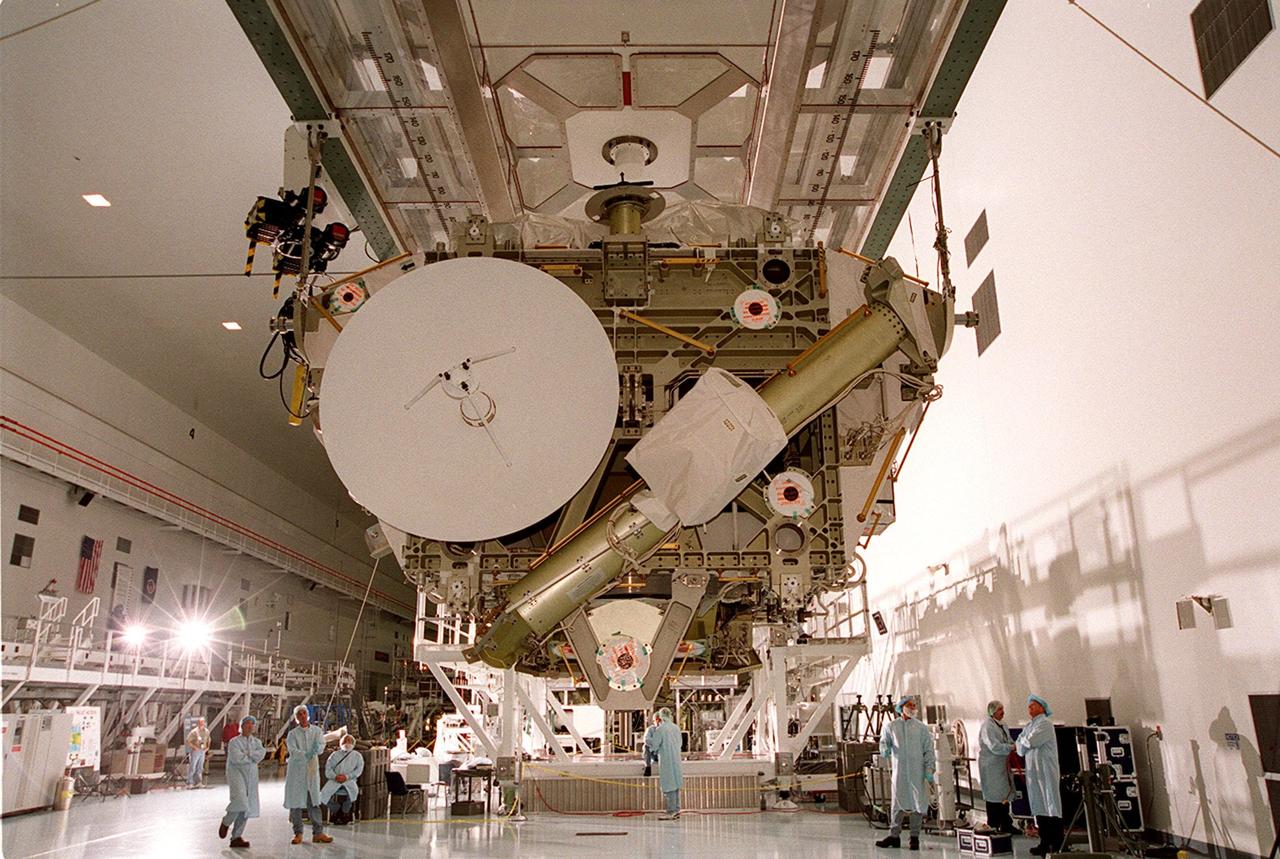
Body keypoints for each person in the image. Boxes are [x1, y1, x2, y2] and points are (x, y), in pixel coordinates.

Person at [875, 696, 936, 850]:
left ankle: (914, 836)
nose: (912, 708)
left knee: (917, 804)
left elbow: (928, 750)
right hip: (900, 771)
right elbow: (884, 742)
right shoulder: (891, 726)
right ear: (901, 707)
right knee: (897, 803)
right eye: (909, 705)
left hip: (917, 771)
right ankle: (894, 836)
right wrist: (884, 749)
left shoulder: (921, 728)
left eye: (914, 706)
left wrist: (929, 769)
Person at [1016, 694, 1063, 856]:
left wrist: (1022, 742)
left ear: (1042, 707)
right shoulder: (1030, 726)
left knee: (1051, 804)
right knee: (1039, 805)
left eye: (1033, 705)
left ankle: (1056, 842)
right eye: (1029, 706)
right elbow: (1020, 747)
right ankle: (1044, 841)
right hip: (1034, 773)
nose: (1030, 708)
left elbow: (1029, 742)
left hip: (1046, 771)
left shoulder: (1045, 724)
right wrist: (1022, 742)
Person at [284, 705, 333, 844]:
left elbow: (321, 744)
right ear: (296, 718)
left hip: (311, 770)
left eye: (304, 713)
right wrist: (306, 754)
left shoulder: (317, 731)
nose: (302, 716)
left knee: (314, 801)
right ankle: (298, 833)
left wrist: (317, 750)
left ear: (308, 715)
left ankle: (318, 833)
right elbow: (293, 750)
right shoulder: (292, 734)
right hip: (297, 771)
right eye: (299, 714)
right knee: (296, 802)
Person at [220, 715, 266, 849]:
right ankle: (226, 822)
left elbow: (261, 754)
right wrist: (251, 757)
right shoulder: (234, 742)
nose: (250, 726)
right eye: (247, 723)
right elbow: (236, 758)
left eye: (252, 723)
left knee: (246, 807)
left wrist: (249, 755)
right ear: (242, 725)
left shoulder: (256, 742)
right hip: (237, 774)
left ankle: (236, 837)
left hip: (251, 775)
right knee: (240, 801)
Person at [978, 700, 1018, 834]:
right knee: (993, 796)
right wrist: (1011, 747)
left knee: (1004, 795)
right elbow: (994, 746)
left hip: (1002, 765)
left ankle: (1006, 824)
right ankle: (993, 824)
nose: (1003, 712)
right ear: (993, 712)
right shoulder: (987, 726)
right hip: (991, 766)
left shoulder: (1002, 725)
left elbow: (1008, 740)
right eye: (1000, 709)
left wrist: (1014, 745)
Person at [648, 707, 684, 820]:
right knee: (676, 784)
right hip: (676, 758)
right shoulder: (676, 728)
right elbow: (680, 743)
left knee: (669, 785)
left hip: (666, 759)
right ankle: (677, 809)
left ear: (659, 717)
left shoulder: (661, 729)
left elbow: (654, 745)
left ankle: (671, 811)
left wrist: (648, 743)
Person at [320, 735, 364, 825]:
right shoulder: (334, 755)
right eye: (345, 741)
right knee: (322, 795)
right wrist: (335, 777)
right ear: (341, 743)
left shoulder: (357, 756)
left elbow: (359, 770)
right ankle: (337, 809)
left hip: (349, 781)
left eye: (349, 741)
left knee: (352, 794)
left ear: (353, 743)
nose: (347, 744)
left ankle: (345, 811)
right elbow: (328, 769)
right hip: (334, 780)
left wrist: (347, 777)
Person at [185, 717, 210, 788]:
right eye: (200, 722)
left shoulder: (207, 731)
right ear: (198, 723)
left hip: (203, 751)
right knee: (193, 766)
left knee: (200, 767)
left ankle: (199, 782)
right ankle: (190, 782)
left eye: (203, 722)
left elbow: (208, 739)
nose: (202, 724)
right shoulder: (194, 732)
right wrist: (194, 747)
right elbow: (188, 741)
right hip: (196, 751)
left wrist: (207, 747)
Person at [642, 712, 661, 778]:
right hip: (653, 753)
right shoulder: (650, 729)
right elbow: (646, 740)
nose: (659, 722)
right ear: (654, 721)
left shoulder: (667, 730)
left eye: (660, 720)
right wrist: (656, 743)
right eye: (657, 720)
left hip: (663, 754)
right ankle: (648, 767)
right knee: (646, 746)